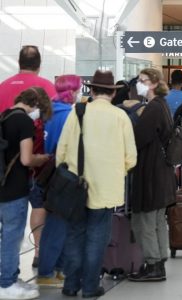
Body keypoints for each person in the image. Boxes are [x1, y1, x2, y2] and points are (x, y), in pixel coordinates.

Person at [56, 70, 137, 298]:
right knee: (97, 238)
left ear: (91, 91)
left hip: (76, 186)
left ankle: (71, 285)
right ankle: (90, 287)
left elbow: (61, 150)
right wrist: (114, 171)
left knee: (74, 235)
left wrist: (66, 171)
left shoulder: (78, 111)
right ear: (112, 93)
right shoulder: (120, 117)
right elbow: (131, 157)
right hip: (106, 188)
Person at [0, 45, 57, 268]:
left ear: (19, 62)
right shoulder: (46, 88)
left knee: (10, 221)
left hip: (5, 164)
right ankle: (38, 252)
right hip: (33, 161)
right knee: (38, 206)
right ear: (39, 64)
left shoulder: (3, 86)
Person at [0, 88, 52, 300]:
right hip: (15, 187)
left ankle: (10, 277)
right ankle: (7, 284)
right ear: (37, 105)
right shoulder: (24, 122)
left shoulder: (5, 115)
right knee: (12, 237)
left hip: (3, 184)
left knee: (6, 236)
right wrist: (42, 158)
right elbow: (26, 159)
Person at [128, 68, 176, 282]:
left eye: (143, 80)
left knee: (145, 220)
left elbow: (138, 139)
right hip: (162, 171)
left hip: (150, 171)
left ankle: (153, 263)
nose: (139, 84)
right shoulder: (162, 105)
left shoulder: (153, 108)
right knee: (157, 219)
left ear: (154, 83)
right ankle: (159, 262)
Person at [37, 75, 83, 288]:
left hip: (47, 175)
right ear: (72, 91)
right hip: (63, 177)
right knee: (58, 226)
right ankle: (47, 272)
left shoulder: (49, 113)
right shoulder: (68, 116)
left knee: (56, 224)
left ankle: (55, 270)